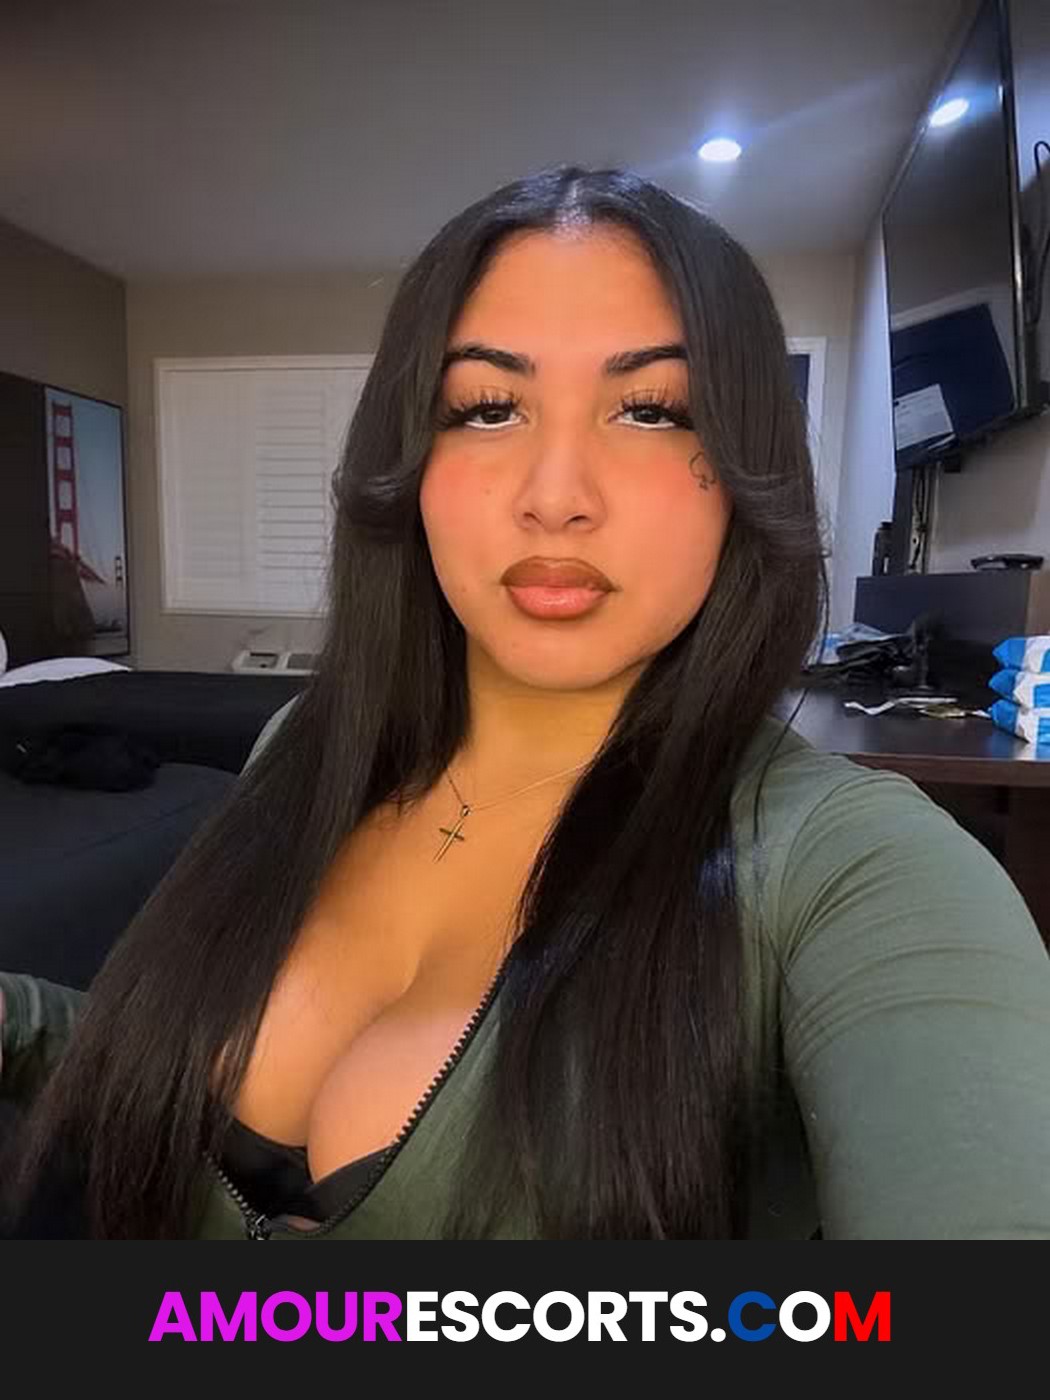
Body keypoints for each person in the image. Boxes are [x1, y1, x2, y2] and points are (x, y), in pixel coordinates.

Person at [2, 165, 1049, 1241]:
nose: (556, 495)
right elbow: (164, 1078)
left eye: (651, 410)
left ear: (744, 474)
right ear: (411, 464)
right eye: (487, 408)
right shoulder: (302, 746)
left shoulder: (855, 872)